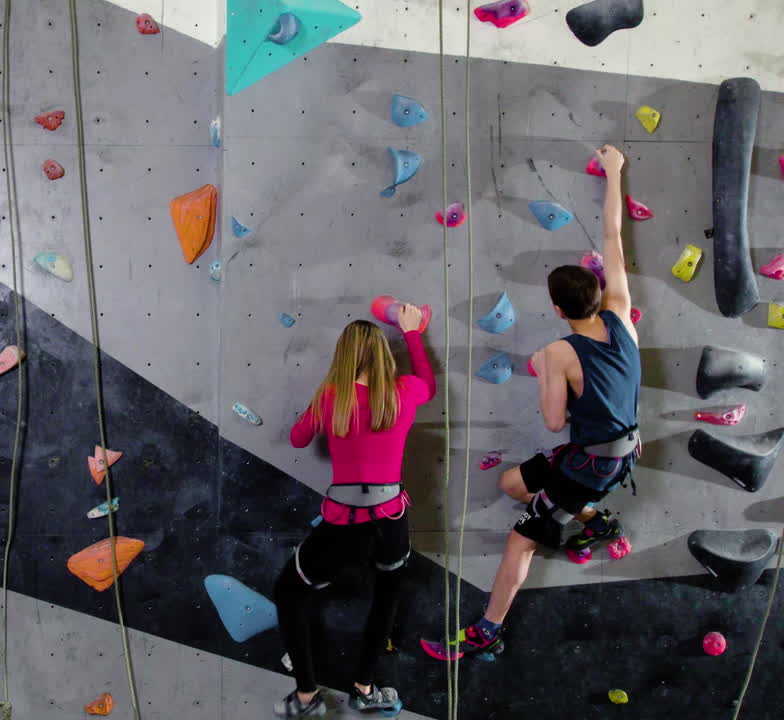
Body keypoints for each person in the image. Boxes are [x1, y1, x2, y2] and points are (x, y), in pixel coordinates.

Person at [445, 144, 641, 659]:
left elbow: (555, 423)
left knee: (521, 540)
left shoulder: (559, 351)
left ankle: (489, 629)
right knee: (512, 482)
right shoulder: (620, 310)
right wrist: (614, 173)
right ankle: (594, 521)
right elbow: (613, 236)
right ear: (598, 291)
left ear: (557, 309)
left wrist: (541, 370)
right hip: (618, 454)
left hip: (589, 466)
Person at [272, 303, 436, 717]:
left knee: (288, 592)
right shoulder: (404, 392)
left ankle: (307, 697)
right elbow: (428, 385)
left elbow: (296, 438)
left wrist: (327, 398)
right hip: (390, 521)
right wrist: (412, 332)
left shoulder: (332, 398)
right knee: (385, 599)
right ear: (384, 355)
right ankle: (363, 689)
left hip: (344, 524)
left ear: (341, 357)